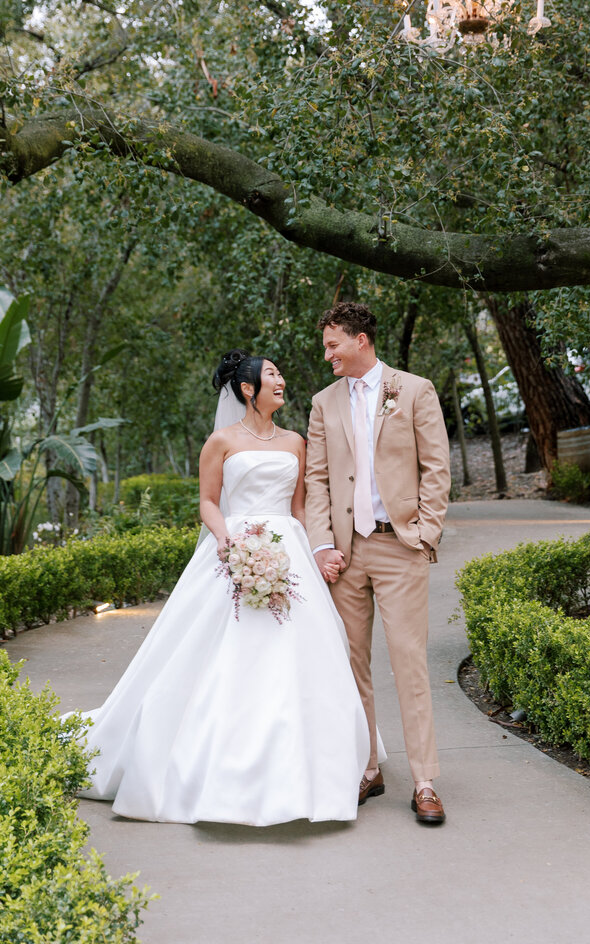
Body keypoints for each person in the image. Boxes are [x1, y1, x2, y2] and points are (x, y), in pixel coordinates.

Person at [76, 348, 372, 826]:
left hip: (289, 548)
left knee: (304, 655)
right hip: (235, 546)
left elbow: (299, 508)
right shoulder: (220, 442)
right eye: (272, 374)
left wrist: (318, 550)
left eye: (279, 374)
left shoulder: (296, 441)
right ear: (249, 389)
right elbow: (209, 502)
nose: (281, 380)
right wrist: (227, 539)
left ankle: (310, 763)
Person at [305, 302, 451, 825]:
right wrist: (322, 545)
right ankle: (367, 767)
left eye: (333, 345)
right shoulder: (323, 403)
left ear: (361, 340)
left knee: (409, 662)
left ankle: (425, 781)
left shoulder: (414, 390)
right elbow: (317, 479)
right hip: (345, 555)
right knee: (350, 665)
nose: (327, 355)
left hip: (399, 546)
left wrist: (425, 534)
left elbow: (436, 466)